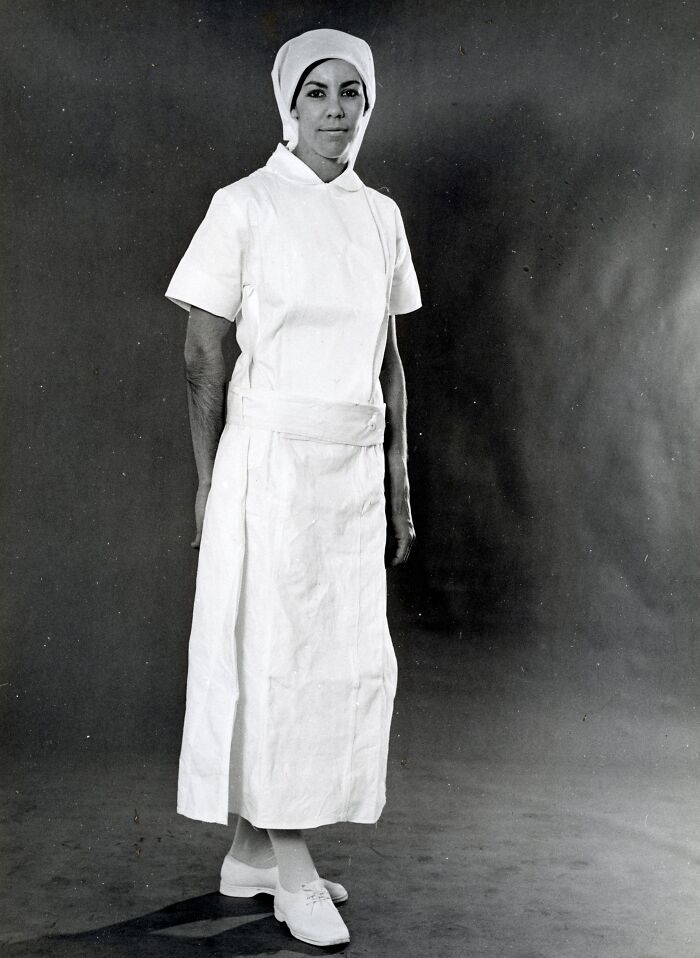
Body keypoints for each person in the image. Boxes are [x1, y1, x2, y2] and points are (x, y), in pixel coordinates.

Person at [165, 28, 421, 947]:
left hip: (348, 473)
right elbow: (204, 352)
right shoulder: (244, 205)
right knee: (276, 660)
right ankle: (295, 868)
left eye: (352, 93)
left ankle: (251, 855)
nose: (336, 111)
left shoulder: (380, 216)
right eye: (317, 92)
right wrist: (209, 480)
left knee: (335, 660)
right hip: (269, 465)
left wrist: (397, 478)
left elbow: (388, 358)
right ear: (288, 104)